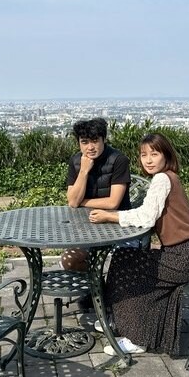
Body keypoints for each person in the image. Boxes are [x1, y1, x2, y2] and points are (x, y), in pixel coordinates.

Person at [89, 133, 189, 356]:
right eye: (144, 155)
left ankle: (135, 337)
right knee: (126, 257)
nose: (148, 160)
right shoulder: (170, 177)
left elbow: (146, 217)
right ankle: (120, 321)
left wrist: (110, 216)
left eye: (154, 154)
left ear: (166, 155)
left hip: (184, 257)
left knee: (129, 265)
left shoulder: (163, 179)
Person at [60, 117, 132, 272]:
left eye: (95, 141)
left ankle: (109, 290)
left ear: (104, 139)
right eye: (84, 142)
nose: (90, 147)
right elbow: (72, 201)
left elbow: (113, 203)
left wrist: (82, 202)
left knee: (122, 267)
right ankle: (94, 286)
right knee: (70, 260)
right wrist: (84, 170)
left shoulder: (119, 160)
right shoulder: (76, 161)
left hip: (116, 225)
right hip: (86, 226)